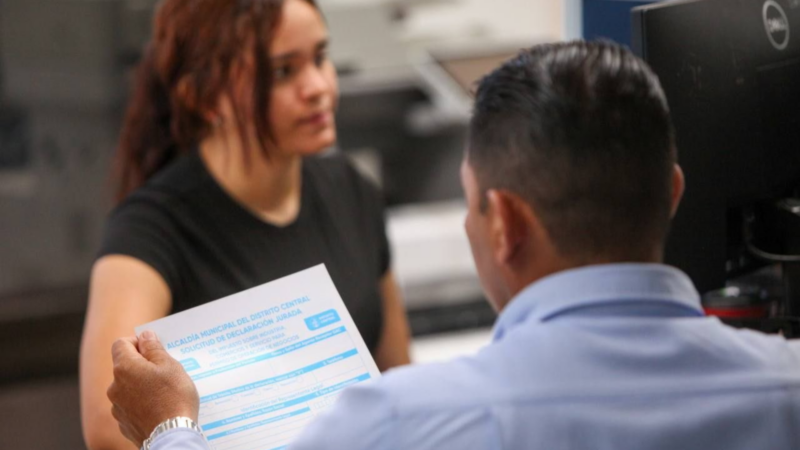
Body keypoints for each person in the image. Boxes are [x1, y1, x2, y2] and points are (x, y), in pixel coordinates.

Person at [107, 40, 800, 450]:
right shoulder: (786, 386)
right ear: (672, 193)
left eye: (472, 204)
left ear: (505, 224)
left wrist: (169, 428)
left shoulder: (404, 424)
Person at [80, 1, 412, 449]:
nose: (318, 87)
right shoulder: (147, 231)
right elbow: (109, 426)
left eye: (319, 58)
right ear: (204, 98)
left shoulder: (352, 190)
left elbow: (399, 381)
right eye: (282, 72)